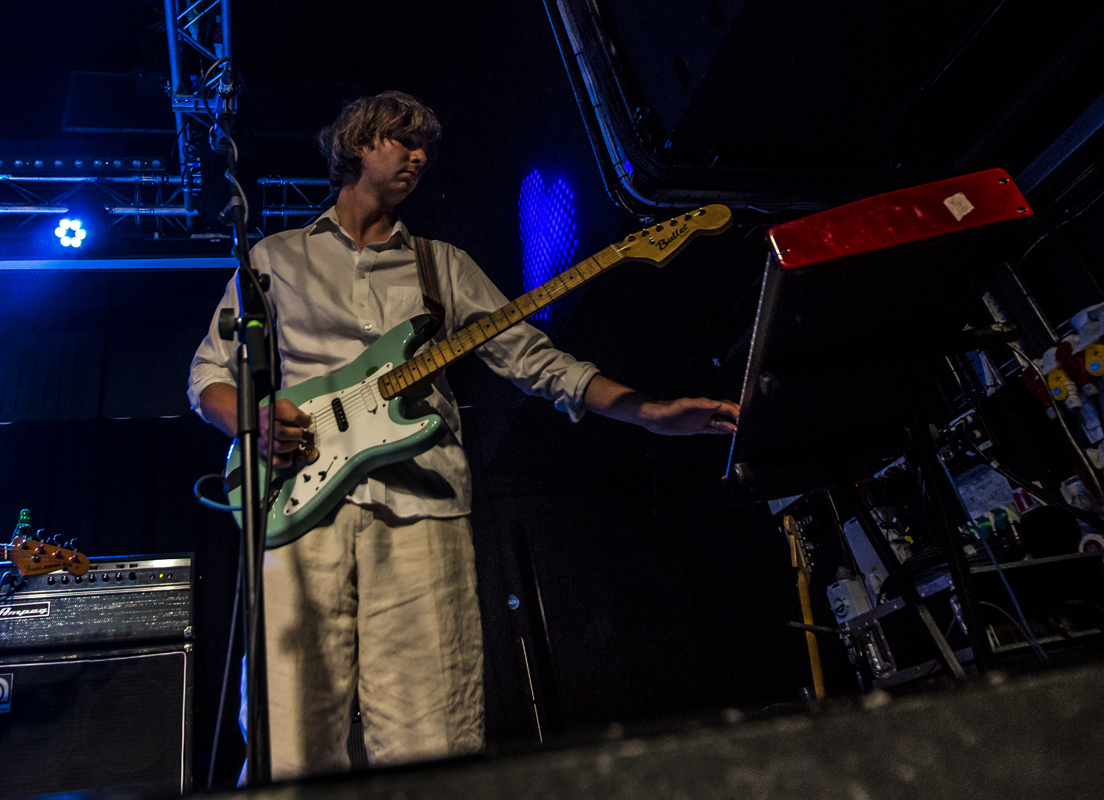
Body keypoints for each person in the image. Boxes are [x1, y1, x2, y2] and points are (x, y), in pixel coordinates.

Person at [188, 90, 739, 781]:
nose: (419, 156)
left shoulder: (440, 265)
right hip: (296, 518)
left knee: (434, 735)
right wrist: (255, 418)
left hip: (424, 511)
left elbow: (533, 361)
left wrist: (643, 411)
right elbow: (208, 375)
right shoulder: (274, 259)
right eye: (402, 140)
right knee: (288, 739)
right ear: (357, 146)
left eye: (426, 147)